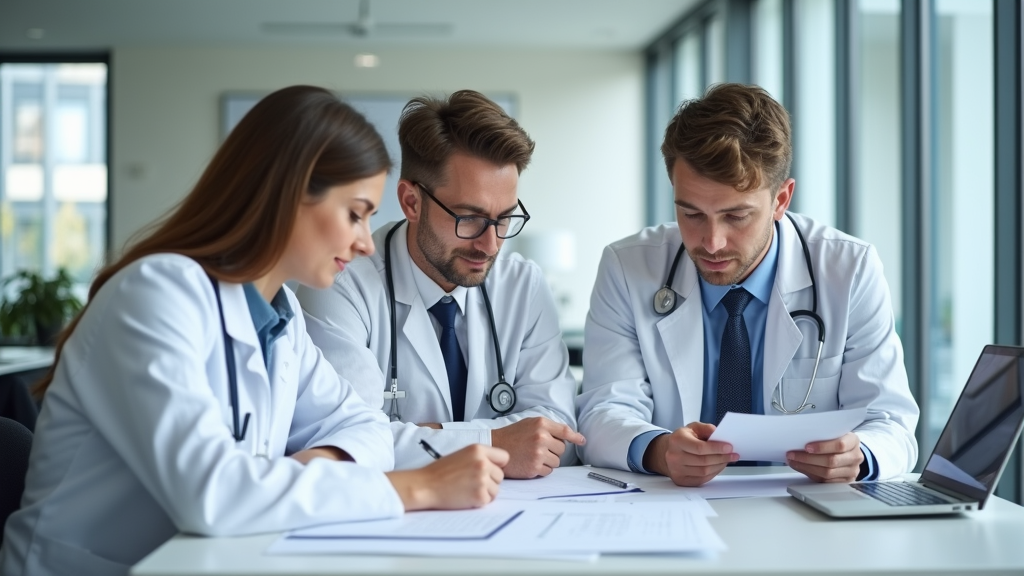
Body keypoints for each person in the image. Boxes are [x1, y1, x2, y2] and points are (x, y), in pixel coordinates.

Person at [0, 86, 508, 576]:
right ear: (288, 194)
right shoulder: (155, 294)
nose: (365, 244)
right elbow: (212, 494)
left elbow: (368, 426)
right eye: (355, 215)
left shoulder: (278, 313)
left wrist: (311, 467)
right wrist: (416, 488)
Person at [576, 83, 919, 487]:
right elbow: (602, 410)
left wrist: (859, 455)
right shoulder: (627, 266)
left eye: (736, 217)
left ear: (781, 200)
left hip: (801, 510)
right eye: (691, 214)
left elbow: (891, 421)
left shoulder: (849, 268)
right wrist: (659, 450)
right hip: (671, 504)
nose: (711, 242)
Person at [297, 90, 583, 477]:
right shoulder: (340, 283)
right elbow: (347, 440)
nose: (491, 244)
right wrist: (495, 442)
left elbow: (557, 434)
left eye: (504, 219)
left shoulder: (523, 285)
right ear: (411, 202)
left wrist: (418, 437)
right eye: (469, 218)